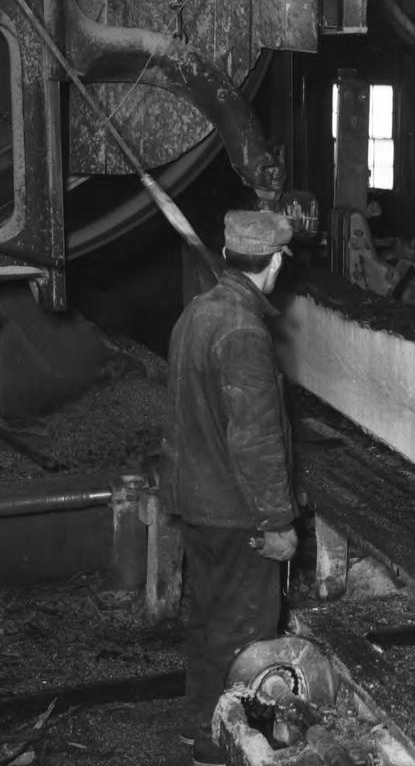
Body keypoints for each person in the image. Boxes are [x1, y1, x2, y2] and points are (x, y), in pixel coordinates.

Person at [160, 210, 300, 766]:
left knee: (208, 620)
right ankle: (222, 749)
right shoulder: (243, 329)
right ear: (275, 261)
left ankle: (199, 725)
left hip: (196, 499)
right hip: (235, 510)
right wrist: (277, 523)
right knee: (245, 633)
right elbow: (257, 440)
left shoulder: (198, 312)